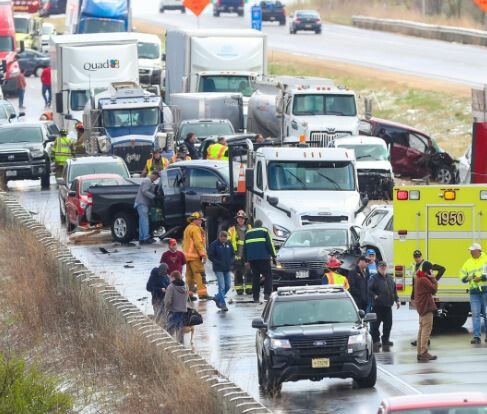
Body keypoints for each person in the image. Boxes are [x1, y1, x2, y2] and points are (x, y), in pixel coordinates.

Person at [409, 249, 445, 346]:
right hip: (419, 295)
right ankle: (423, 340)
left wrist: (433, 279)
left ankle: (424, 340)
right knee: (422, 320)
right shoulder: (414, 266)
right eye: (415, 257)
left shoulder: (427, 264)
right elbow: (414, 283)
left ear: (421, 256)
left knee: (424, 320)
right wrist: (412, 297)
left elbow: (442, 269)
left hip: (426, 295)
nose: (417, 258)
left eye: (418, 256)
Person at [368, 261, 400, 350]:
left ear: (387, 268)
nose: (383, 268)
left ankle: (385, 340)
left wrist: (397, 300)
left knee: (388, 324)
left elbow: (394, 290)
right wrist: (375, 296)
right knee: (375, 325)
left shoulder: (390, 278)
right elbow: (369, 290)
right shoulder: (373, 278)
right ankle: (376, 341)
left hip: (388, 306)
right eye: (381, 267)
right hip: (377, 306)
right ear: (378, 268)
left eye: (384, 266)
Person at [459, 243, 487, 345]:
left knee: (486, 315)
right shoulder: (468, 262)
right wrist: (468, 278)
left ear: (478, 250)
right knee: (475, 315)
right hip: (474, 292)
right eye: (470, 250)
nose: (470, 252)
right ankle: (476, 337)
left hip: (485, 291)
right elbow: (462, 276)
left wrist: (482, 278)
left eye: (472, 250)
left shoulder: (485, 259)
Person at [243, 219, 277, 303]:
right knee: (268, 275)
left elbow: (245, 247)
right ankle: (267, 294)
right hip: (264, 258)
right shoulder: (265, 231)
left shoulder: (248, 233)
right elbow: (270, 244)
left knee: (255, 277)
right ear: (261, 225)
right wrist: (274, 256)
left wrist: (246, 260)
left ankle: (255, 297)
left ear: (254, 225)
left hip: (252, 259)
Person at [182, 211, 209, 299]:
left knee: (189, 276)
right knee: (200, 274)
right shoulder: (196, 229)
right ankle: (203, 294)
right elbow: (198, 243)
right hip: (195, 256)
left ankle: (189, 295)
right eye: (200, 220)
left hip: (187, 257)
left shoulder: (187, 228)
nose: (201, 222)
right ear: (195, 220)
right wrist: (203, 254)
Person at [415, 261, 438, 362]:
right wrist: (433, 278)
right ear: (429, 269)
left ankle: (420, 352)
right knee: (426, 330)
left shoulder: (419, 278)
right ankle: (424, 352)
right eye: (431, 269)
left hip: (421, 307)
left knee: (421, 329)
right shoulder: (424, 279)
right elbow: (434, 290)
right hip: (426, 307)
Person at [208, 230, 235, 311]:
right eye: (222, 238)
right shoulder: (214, 244)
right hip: (218, 269)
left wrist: (231, 262)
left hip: (227, 268)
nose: (224, 240)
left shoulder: (228, 244)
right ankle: (222, 304)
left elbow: (233, 254)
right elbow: (210, 255)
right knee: (222, 286)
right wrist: (218, 262)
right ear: (219, 237)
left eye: (225, 238)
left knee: (228, 286)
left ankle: (217, 297)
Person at [227, 210, 252, 295]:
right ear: (236, 219)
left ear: (245, 219)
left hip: (248, 255)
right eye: (239, 218)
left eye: (242, 218)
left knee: (249, 272)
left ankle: (249, 289)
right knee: (238, 273)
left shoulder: (249, 228)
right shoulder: (232, 230)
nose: (240, 220)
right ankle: (239, 290)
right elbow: (229, 242)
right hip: (237, 255)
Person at [134, 170, 159, 245]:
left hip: (140, 203)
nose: (156, 179)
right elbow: (144, 191)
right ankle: (146, 238)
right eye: (156, 177)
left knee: (142, 222)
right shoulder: (147, 181)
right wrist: (154, 197)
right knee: (145, 221)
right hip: (142, 203)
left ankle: (141, 238)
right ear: (153, 175)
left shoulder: (147, 181)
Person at [164, 270, 189, 344]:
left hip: (173, 311)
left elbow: (168, 300)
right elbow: (187, 297)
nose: (170, 279)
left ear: (174, 278)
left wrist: (167, 307)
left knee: (168, 331)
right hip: (183, 311)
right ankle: (181, 346)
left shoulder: (171, 287)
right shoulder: (185, 286)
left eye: (171, 277)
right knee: (180, 331)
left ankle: (167, 345)